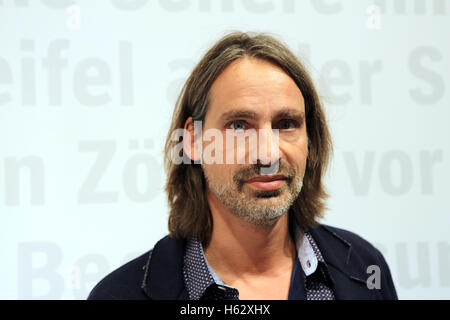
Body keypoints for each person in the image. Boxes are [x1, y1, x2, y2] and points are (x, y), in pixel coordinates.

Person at [88, 32, 398, 300]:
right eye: (239, 126)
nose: (267, 154)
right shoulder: (120, 293)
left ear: (310, 140)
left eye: (287, 123)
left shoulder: (364, 267)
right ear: (194, 141)